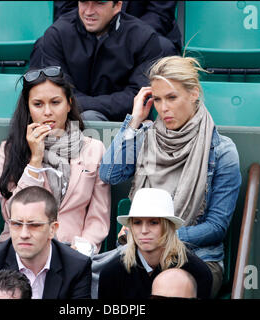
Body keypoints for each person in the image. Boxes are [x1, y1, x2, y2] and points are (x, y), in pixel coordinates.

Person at [99, 55, 242, 298]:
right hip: (139, 256)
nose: (164, 108)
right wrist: (134, 122)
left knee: (168, 286)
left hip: (196, 258)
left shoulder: (222, 151)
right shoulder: (144, 136)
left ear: (194, 93)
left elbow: (216, 227)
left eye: (172, 97)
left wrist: (164, 237)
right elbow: (110, 174)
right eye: (157, 99)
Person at [0, 66, 110, 255]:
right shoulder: (10, 150)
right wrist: (35, 160)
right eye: (38, 104)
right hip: (21, 252)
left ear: (69, 104)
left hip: (73, 251)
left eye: (55, 102)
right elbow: (12, 214)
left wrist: (83, 248)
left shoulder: (94, 148)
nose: (47, 112)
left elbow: (99, 215)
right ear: (28, 108)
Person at [30, 1, 178, 122]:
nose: (89, 11)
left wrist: (77, 103)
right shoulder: (56, 35)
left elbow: (138, 97)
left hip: (127, 121)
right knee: (88, 118)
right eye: (84, 2)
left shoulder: (144, 38)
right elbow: (55, 94)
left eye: (99, 3)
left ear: (118, 6)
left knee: (90, 118)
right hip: (72, 119)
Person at [0, 186, 92, 299]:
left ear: (53, 229)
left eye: (34, 225)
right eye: (17, 224)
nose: (24, 234)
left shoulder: (76, 266)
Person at [98, 188, 213, 299]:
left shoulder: (197, 272)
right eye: (137, 222)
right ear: (131, 227)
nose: (144, 230)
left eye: (153, 222)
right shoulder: (112, 273)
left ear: (168, 226)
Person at [53, 1, 182, 51]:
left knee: (162, 48)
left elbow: (159, 14)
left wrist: (123, 37)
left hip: (140, 35)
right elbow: (66, 10)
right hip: (88, 32)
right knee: (49, 44)